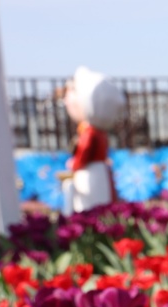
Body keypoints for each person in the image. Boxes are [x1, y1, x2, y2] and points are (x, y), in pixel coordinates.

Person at [61, 67, 125, 214]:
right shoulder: (97, 132)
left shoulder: (89, 132)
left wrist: (74, 164)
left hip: (89, 174)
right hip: (98, 172)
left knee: (90, 206)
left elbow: (84, 152)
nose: (66, 101)